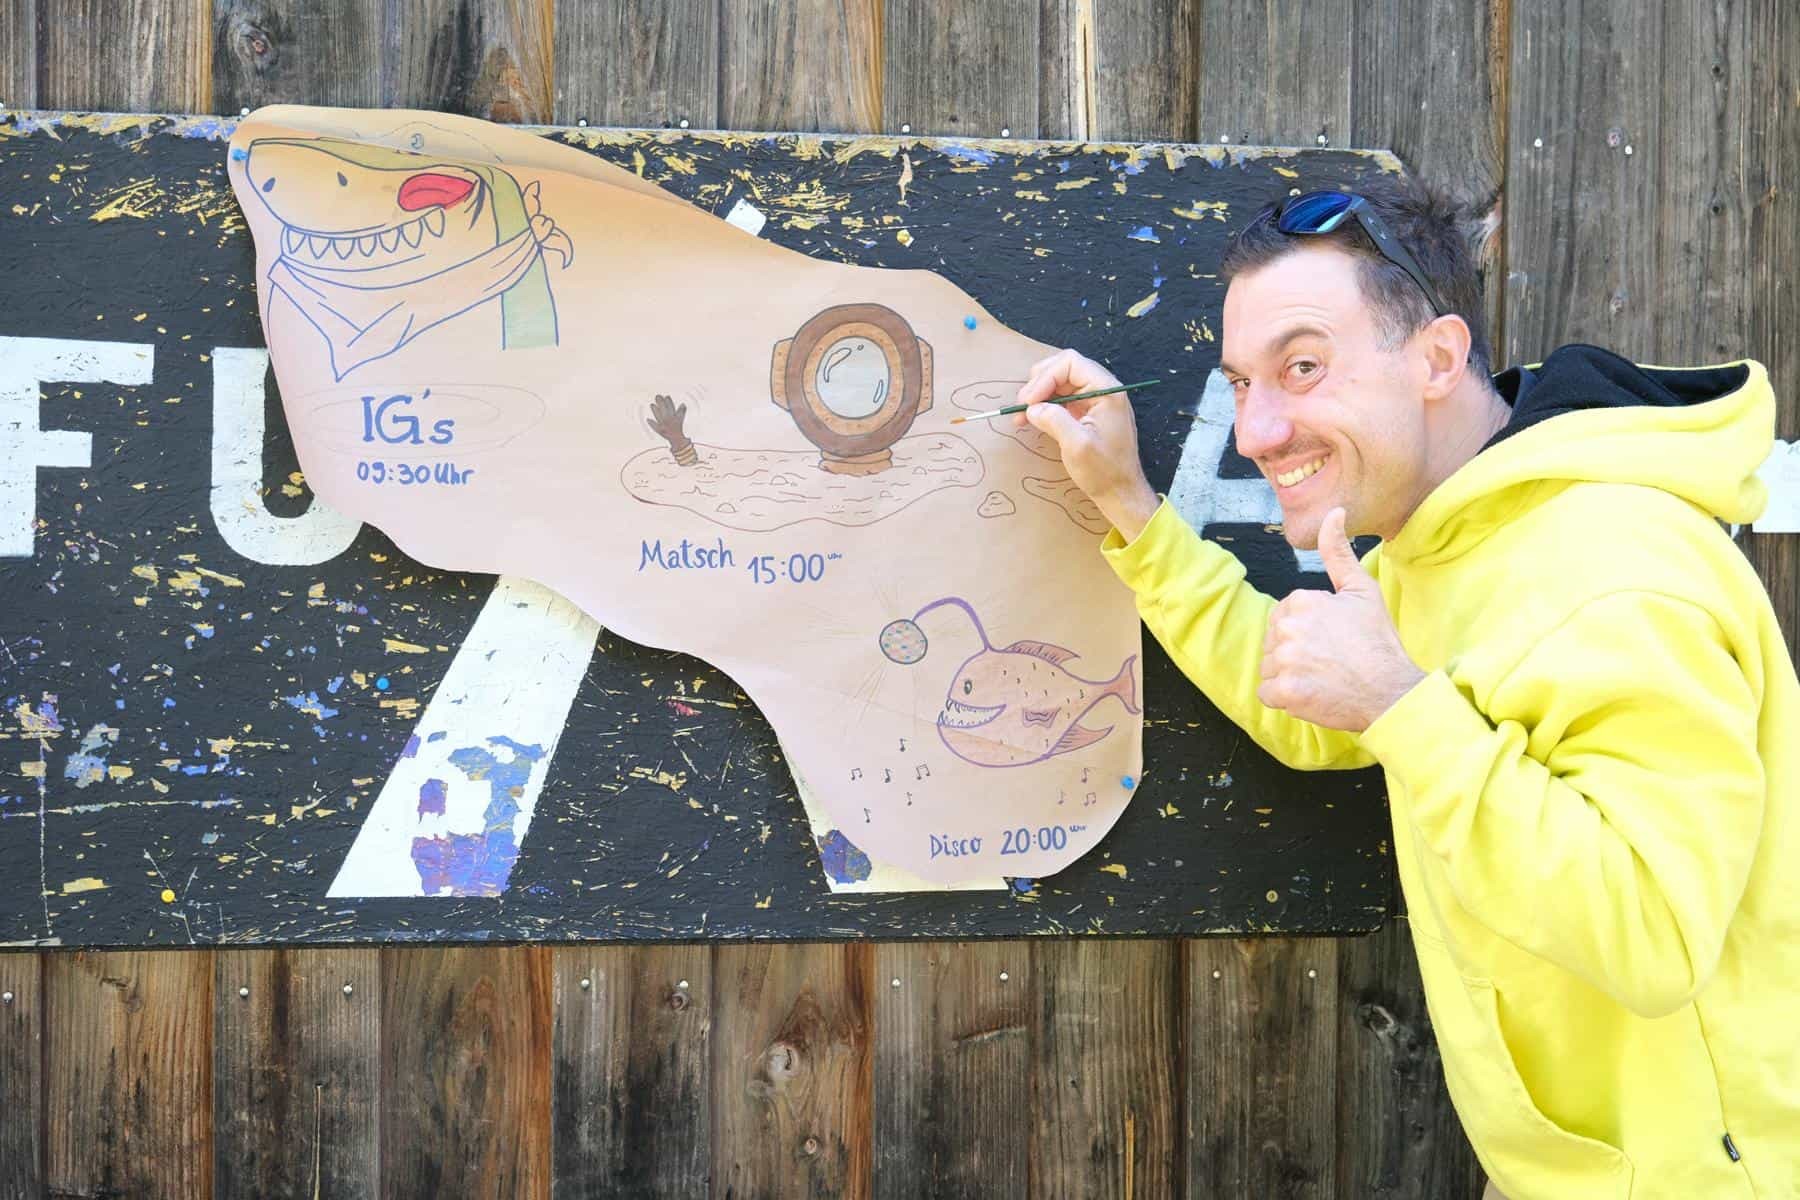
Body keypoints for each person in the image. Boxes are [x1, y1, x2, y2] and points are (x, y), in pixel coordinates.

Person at [1015, 179, 1799, 1199]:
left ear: (1436, 358)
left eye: (1302, 366)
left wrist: (1400, 706)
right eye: (1242, 383)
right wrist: (1130, 504)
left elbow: (1655, 935)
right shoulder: (1450, 540)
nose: (1255, 430)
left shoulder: (1616, 572)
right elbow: (1308, 700)